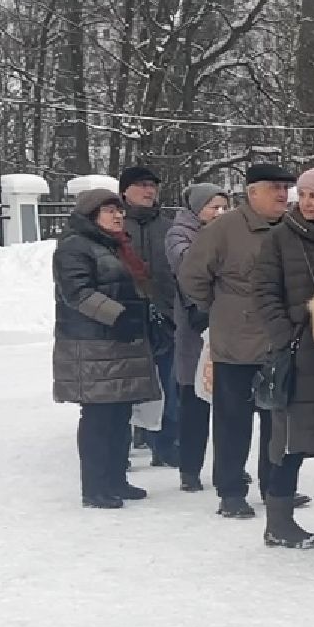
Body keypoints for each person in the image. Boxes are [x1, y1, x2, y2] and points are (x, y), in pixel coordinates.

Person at [177, 163, 298, 520]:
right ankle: (230, 492)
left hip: (280, 341)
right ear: (252, 192)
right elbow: (192, 275)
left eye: (285, 187)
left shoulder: (290, 228)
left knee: (278, 421)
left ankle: (273, 486)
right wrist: (221, 309)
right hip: (236, 343)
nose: (282, 194)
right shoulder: (224, 229)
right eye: (274, 187)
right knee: (233, 422)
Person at [250, 167, 314, 549]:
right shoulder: (278, 239)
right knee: (289, 442)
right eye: (302, 194)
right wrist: (285, 333)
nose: (306, 202)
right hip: (296, 355)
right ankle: (279, 522)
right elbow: (263, 292)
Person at [54, 189, 163, 508]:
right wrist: (119, 316)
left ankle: (116, 479)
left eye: (119, 211)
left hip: (121, 342)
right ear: (91, 215)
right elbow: (76, 292)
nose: (118, 216)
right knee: (99, 416)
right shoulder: (75, 246)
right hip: (91, 344)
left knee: (119, 413)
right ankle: (95, 487)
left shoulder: (116, 245)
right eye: (109, 211)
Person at [167, 184, 227, 492]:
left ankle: (228, 469)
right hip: (195, 331)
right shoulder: (179, 234)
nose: (219, 213)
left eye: (222, 207)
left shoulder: (226, 232)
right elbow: (189, 267)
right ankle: (189, 469)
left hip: (225, 327)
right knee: (193, 402)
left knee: (228, 406)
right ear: (196, 208)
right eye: (212, 207)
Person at [118, 167, 180, 466]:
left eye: (152, 186)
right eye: (141, 185)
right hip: (126, 317)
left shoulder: (169, 226)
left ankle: (165, 446)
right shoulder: (114, 225)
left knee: (168, 384)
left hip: (165, 316)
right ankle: (124, 441)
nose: (148, 191)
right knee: (127, 383)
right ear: (125, 190)